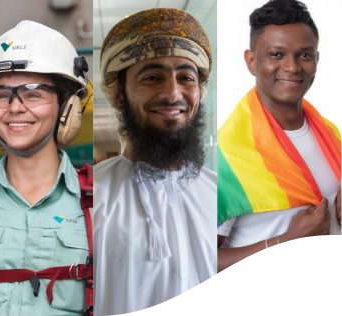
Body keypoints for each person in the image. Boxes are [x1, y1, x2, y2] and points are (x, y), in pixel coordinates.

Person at [94, 8, 216, 315]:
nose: (173, 93)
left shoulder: (223, 192)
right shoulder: (87, 196)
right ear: (119, 94)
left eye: (186, 78)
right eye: (152, 77)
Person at [0, 21, 92, 316]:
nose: (14, 107)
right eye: (2, 94)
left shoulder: (98, 200)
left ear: (67, 108)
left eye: (33, 93)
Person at [217, 0, 342, 273]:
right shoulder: (226, 152)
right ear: (251, 61)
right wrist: (284, 241)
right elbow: (196, 260)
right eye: (276, 54)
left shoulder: (331, 134)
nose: (293, 67)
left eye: (304, 55)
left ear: (317, 59)